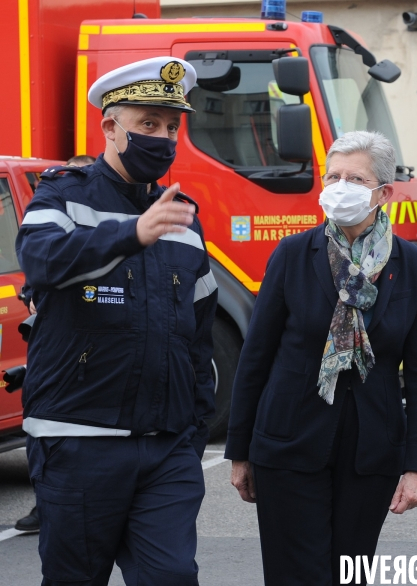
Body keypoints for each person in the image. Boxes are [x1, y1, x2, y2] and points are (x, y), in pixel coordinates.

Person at [15, 57, 217, 585]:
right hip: (79, 442)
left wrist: (192, 433)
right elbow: (41, 261)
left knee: (172, 576)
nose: (163, 137)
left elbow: (199, 339)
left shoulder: (183, 216)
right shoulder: (61, 193)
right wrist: (132, 234)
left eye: (171, 127)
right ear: (110, 126)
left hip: (166, 448)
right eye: (147, 124)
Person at [225, 130, 417, 586]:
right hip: (288, 443)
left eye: (355, 179)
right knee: (294, 574)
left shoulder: (413, 264)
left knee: (350, 574)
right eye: (333, 176)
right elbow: (256, 357)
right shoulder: (292, 254)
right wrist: (240, 452)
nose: (340, 187)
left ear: (383, 192)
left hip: (371, 450)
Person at [14, 154, 96, 534]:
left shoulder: (98, 228)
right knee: (42, 426)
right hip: (56, 352)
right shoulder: (55, 217)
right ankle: (44, 502)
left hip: (92, 353)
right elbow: (38, 269)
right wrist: (30, 296)